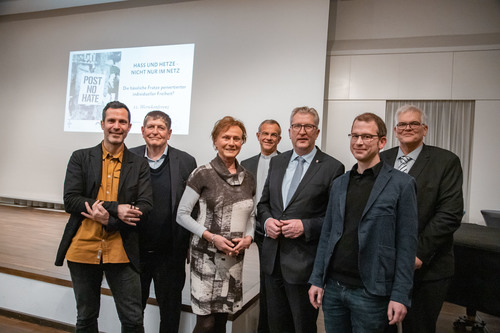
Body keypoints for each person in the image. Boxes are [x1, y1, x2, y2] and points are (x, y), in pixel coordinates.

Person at [308, 112, 418, 333]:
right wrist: (317, 279)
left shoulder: (402, 184)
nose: (359, 142)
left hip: (371, 293)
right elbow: (327, 235)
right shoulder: (339, 183)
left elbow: (407, 246)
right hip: (334, 289)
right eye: (355, 135)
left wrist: (400, 295)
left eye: (367, 137)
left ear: (382, 141)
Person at [55, 101, 153, 332]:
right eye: (111, 121)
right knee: (86, 318)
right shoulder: (80, 157)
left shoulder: (139, 165)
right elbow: (71, 200)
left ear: (129, 127)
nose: (116, 126)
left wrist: (108, 219)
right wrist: (116, 208)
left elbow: (146, 207)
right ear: (102, 124)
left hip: (122, 250)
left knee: (132, 319)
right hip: (83, 249)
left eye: (122, 122)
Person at [257, 106, 344, 333]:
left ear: (316, 132)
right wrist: (266, 222)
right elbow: (263, 204)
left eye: (308, 126)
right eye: (297, 126)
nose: (302, 131)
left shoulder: (333, 168)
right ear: (289, 131)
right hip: (272, 262)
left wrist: (305, 226)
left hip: (304, 265)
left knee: (302, 327)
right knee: (276, 326)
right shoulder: (277, 162)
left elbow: (336, 219)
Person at [380, 105, 464, 333]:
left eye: (414, 123)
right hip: (384, 266)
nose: (408, 128)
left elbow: (449, 214)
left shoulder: (445, 161)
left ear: (425, 129)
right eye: (402, 124)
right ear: (395, 130)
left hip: (426, 268)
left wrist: (417, 254)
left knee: (418, 328)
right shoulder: (381, 159)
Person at [176, 116, 256, 333]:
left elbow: (251, 215)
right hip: (205, 257)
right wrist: (212, 237)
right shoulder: (202, 173)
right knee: (206, 322)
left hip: (233, 258)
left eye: (237, 138)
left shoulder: (248, 177)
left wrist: (249, 237)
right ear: (215, 141)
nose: (231, 142)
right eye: (226, 137)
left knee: (222, 319)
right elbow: (182, 215)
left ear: (242, 142)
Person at [130, 111, 197, 333]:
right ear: (142, 131)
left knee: (169, 312)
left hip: (171, 252)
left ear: (169, 133)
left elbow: (193, 206)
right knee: (132, 312)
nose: (155, 131)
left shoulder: (186, 161)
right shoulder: (129, 158)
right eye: (150, 126)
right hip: (135, 250)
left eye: (160, 127)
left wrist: (189, 242)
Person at [241, 119, 281, 333]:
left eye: (273, 134)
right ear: (258, 136)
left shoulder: (286, 162)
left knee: (268, 282)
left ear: (279, 139)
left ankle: (264, 327)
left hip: (271, 230)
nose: (268, 138)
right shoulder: (245, 164)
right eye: (265, 133)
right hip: (247, 228)